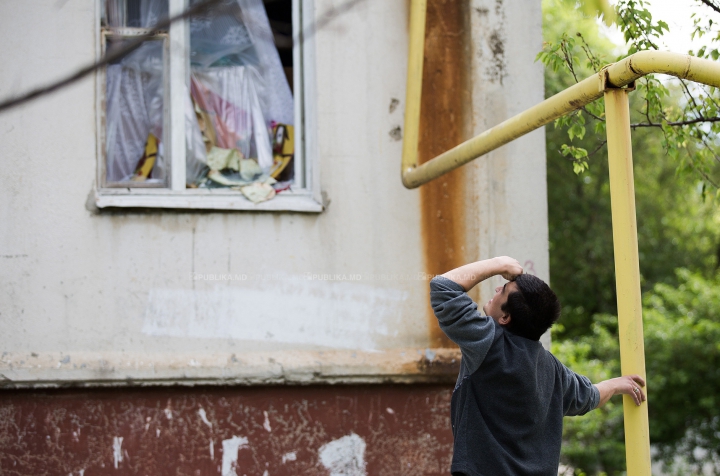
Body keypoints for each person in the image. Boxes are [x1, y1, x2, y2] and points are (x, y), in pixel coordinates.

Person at [429, 256, 646, 476]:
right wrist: (618, 384)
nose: (496, 288)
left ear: (505, 317)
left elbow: (443, 287)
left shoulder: (490, 344)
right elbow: (590, 396)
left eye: (502, 289)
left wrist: (499, 264)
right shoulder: (553, 370)